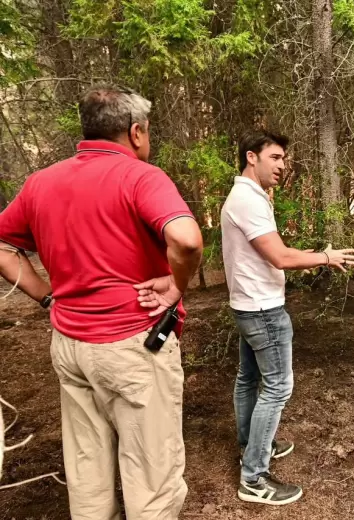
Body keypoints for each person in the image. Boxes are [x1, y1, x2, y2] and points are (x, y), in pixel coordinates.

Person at [0, 85, 203, 519]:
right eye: (148, 131)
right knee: (152, 474)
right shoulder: (141, 177)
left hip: (70, 346)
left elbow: (2, 244)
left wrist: (45, 295)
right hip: (133, 345)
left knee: (87, 467)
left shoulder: (41, 183)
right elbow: (186, 240)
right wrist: (175, 286)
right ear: (135, 132)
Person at [221, 131, 354, 505]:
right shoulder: (248, 200)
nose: (283, 165)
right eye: (276, 157)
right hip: (263, 310)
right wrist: (325, 258)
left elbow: (272, 251)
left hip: (248, 305)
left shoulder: (248, 196)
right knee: (278, 387)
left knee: (249, 378)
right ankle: (254, 477)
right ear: (252, 157)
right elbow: (280, 257)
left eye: (284, 158)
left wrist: (309, 255)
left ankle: (252, 446)